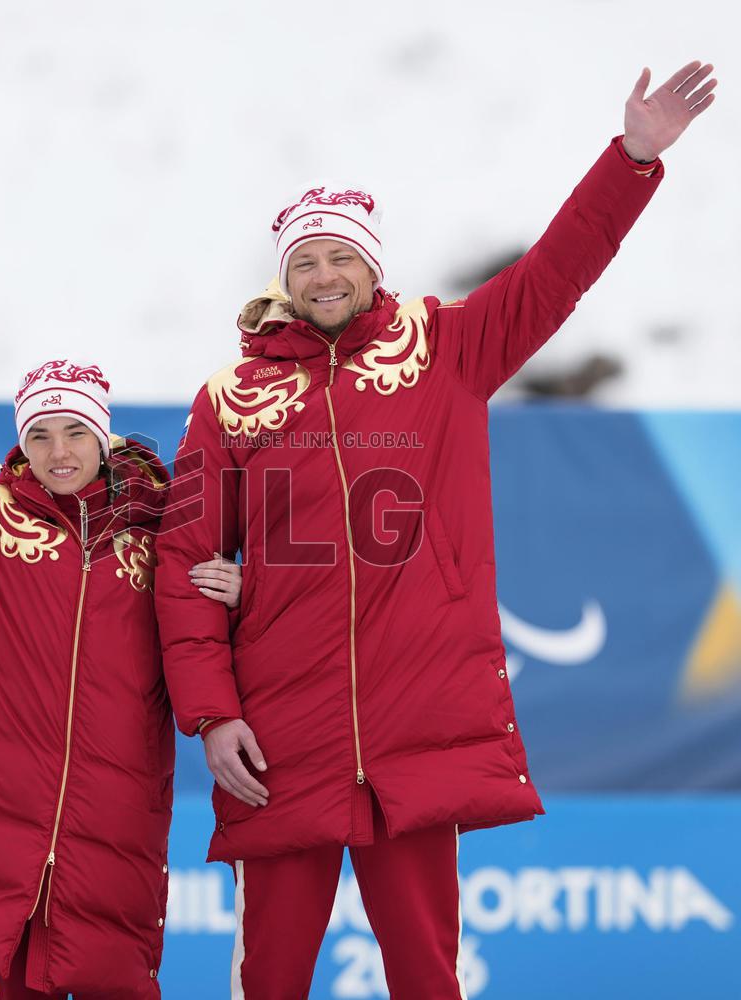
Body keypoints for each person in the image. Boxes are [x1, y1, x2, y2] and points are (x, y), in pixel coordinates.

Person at [155, 61, 716, 998]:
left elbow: (554, 275)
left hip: (417, 723)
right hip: (280, 736)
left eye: (340, 257)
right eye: (304, 260)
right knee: (270, 980)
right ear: (284, 278)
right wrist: (213, 716)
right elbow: (183, 559)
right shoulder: (231, 399)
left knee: (426, 974)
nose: (323, 274)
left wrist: (630, 160)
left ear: (373, 266)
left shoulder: (447, 346)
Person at [0, 291, 241, 999]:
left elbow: (221, 628)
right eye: (41, 436)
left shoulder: (160, 537)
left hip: (117, 802)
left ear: (104, 438)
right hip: (1, 798)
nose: (60, 452)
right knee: (18, 973)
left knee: (110, 973)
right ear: (21, 446)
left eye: (75, 433)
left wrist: (246, 589)